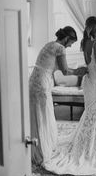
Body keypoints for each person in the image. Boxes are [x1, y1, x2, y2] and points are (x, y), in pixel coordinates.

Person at [43, 16, 96, 175]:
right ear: (90, 29)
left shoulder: (85, 42)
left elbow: (91, 64)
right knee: (95, 113)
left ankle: (93, 143)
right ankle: (94, 147)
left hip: (88, 82)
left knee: (92, 114)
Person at [29, 26, 87, 165]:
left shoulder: (49, 44)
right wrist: (80, 71)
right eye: (71, 42)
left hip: (33, 80)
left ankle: (36, 146)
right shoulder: (59, 48)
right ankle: (43, 150)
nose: (70, 45)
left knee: (36, 114)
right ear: (66, 38)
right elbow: (65, 71)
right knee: (43, 114)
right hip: (42, 83)